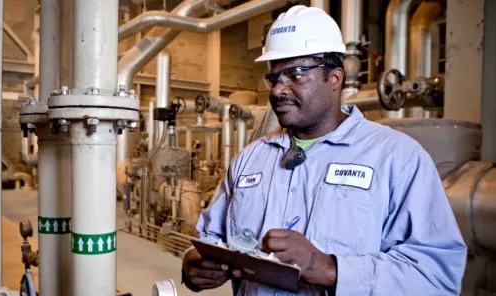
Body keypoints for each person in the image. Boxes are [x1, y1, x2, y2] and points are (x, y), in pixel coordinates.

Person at [181, 5, 467, 296]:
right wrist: (192, 263)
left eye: (295, 74)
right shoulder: (250, 159)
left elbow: (436, 277)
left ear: (335, 78)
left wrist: (331, 269)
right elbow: (208, 238)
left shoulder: (397, 158)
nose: (278, 90)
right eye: (273, 78)